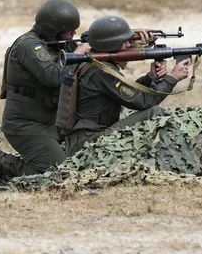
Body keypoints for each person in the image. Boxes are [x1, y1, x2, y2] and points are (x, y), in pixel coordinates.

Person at [0, 0, 90, 185]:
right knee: (57, 171)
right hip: (24, 125)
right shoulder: (28, 46)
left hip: (52, 125)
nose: (74, 32)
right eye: (69, 29)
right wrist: (79, 54)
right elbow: (53, 77)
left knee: (75, 164)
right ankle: (1, 163)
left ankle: (42, 155)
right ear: (53, 29)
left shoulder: (59, 44)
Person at [63, 15, 190, 157]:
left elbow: (129, 93)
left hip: (86, 136)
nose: (128, 46)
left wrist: (150, 78)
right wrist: (172, 78)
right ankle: (178, 158)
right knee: (153, 113)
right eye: (124, 42)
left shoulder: (94, 63)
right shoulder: (101, 71)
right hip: (89, 141)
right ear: (111, 45)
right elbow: (142, 101)